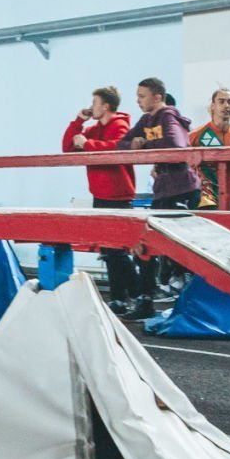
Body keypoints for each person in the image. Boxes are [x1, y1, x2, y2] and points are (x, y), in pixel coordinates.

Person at [122, 77, 202, 319]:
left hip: (182, 188)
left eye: (142, 96)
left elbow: (175, 145)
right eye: (137, 96)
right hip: (163, 189)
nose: (138, 101)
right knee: (146, 242)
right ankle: (145, 300)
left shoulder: (168, 116)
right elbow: (123, 142)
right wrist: (133, 145)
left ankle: (189, 295)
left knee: (183, 247)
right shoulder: (146, 120)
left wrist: (145, 144)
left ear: (158, 97)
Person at [63, 86, 137, 312]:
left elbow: (117, 147)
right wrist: (78, 121)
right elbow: (68, 147)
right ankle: (119, 298)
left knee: (117, 251)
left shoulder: (120, 125)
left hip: (118, 196)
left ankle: (138, 293)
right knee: (108, 251)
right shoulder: (93, 129)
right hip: (101, 195)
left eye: (94, 103)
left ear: (106, 106)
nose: (91, 107)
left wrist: (87, 144)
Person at [189, 87, 230, 209]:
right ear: (213, 106)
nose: (226, 106)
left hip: (227, 194)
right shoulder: (195, 135)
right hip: (204, 196)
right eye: (221, 101)